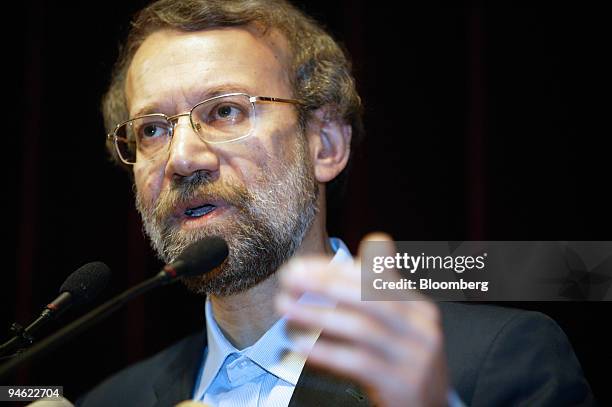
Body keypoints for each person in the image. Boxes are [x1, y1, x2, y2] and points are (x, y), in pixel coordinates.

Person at [78, 0, 595, 406]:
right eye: (152, 129)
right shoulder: (109, 399)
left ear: (325, 145)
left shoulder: (493, 361)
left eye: (227, 111)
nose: (183, 157)